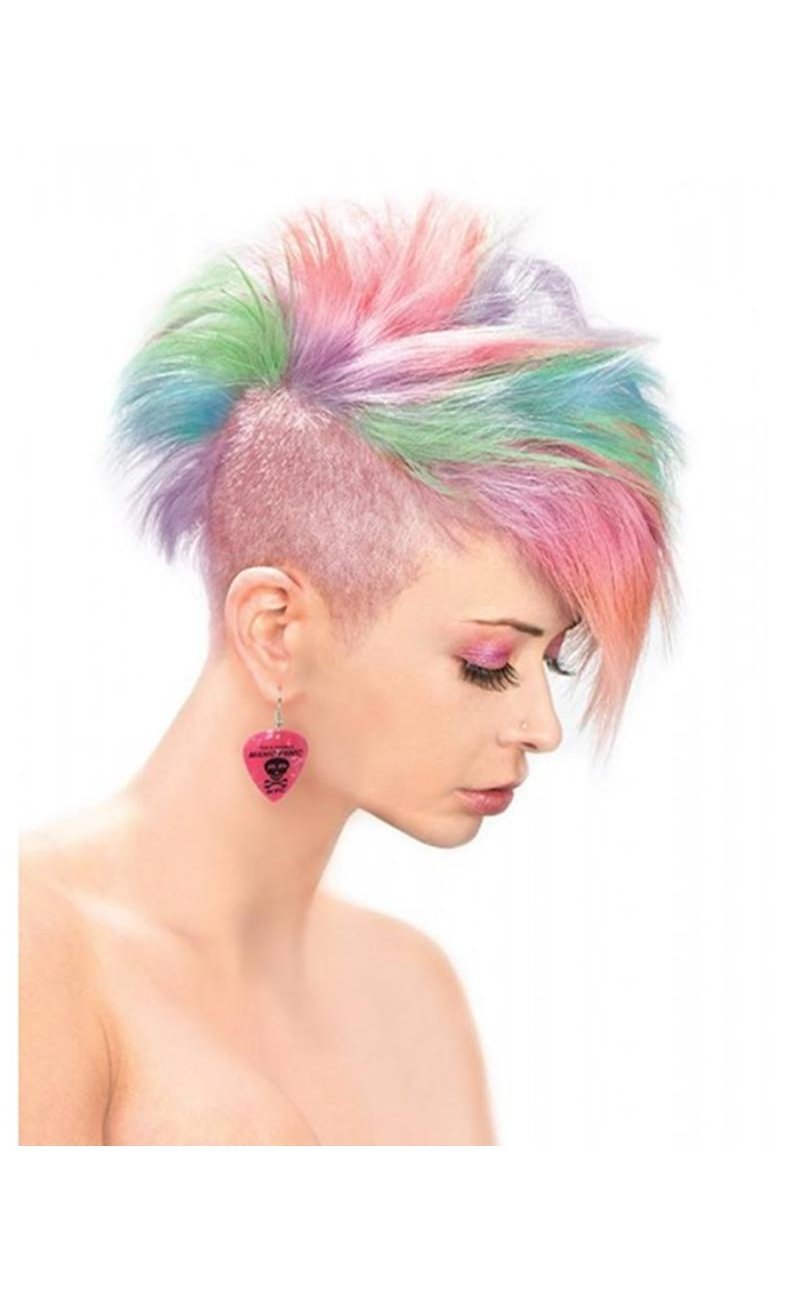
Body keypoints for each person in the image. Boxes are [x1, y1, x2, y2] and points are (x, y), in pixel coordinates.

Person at [18, 193, 683, 1145]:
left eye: (558, 660)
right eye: (489, 661)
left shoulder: (416, 995)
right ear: (276, 630)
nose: (542, 728)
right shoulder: (38, 955)